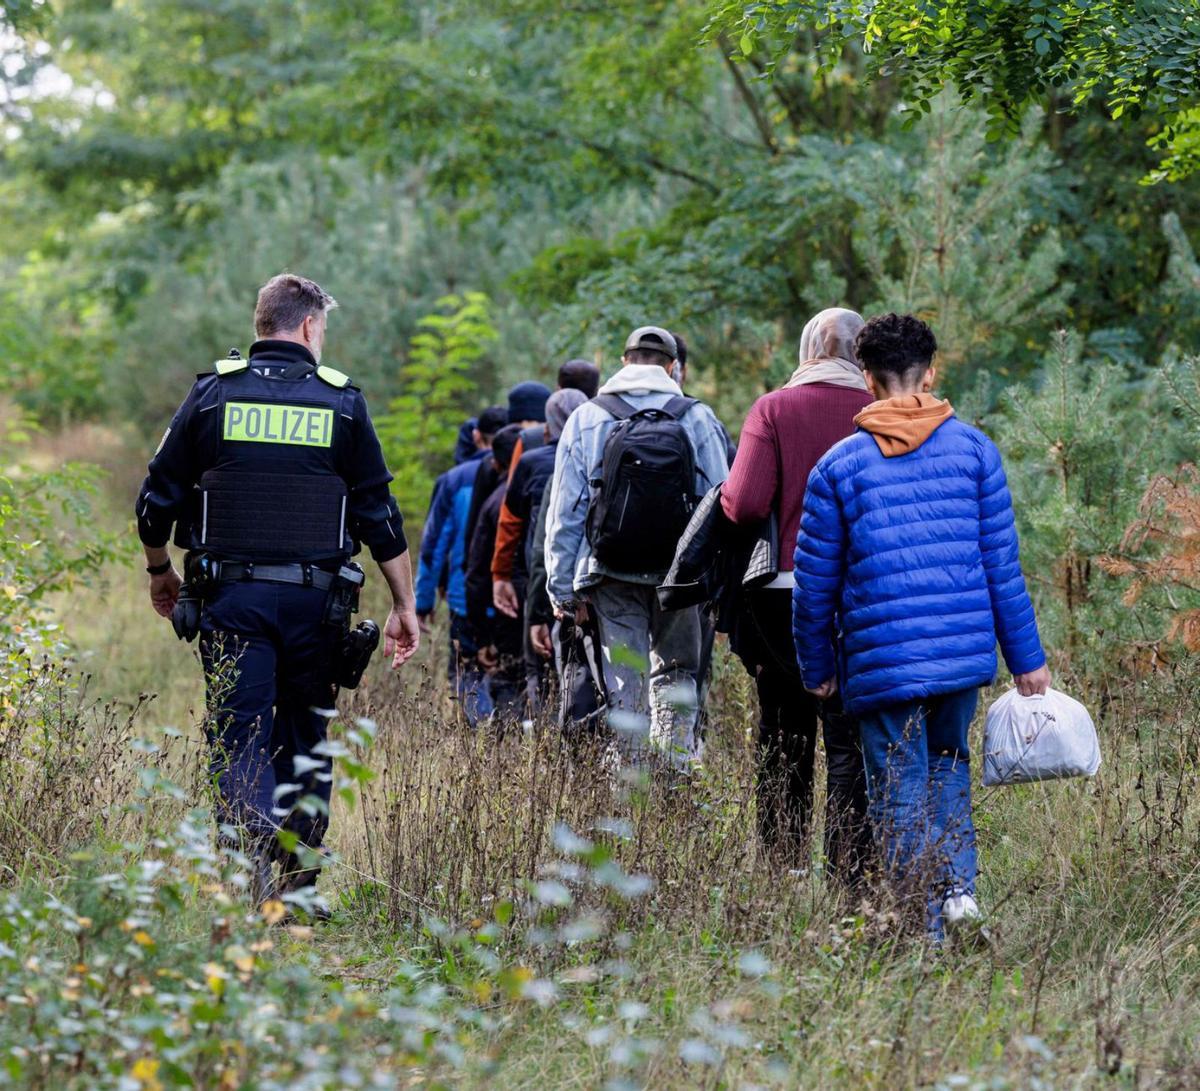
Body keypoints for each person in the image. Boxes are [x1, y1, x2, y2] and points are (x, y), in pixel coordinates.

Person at [135, 273, 420, 909]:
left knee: (238, 734)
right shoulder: (342, 404)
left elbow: (154, 503)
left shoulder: (212, 396)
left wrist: (161, 571)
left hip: (229, 603)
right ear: (311, 327)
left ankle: (243, 875)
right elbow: (378, 513)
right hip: (318, 607)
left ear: (262, 322)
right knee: (306, 735)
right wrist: (404, 604)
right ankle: (298, 887)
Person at [793, 312, 1051, 939]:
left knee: (898, 787)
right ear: (931, 372)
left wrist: (818, 669)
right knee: (947, 769)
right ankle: (957, 894)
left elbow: (813, 586)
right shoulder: (975, 451)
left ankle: (920, 924)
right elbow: (1001, 568)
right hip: (961, 658)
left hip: (883, 664)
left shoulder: (837, 467)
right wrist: (1027, 660)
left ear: (867, 378)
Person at [722, 307, 874, 881]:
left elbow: (746, 502)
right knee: (850, 733)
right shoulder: (880, 410)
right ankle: (851, 869)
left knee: (783, 728)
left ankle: (782, 862)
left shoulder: (774, 409)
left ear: (809, 349)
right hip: (864, 593)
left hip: (783, 591)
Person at [545, 325, 731, 770]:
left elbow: (567, 509)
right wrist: (718, 581)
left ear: (624, 361)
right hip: (679, 576)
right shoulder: (697, 416)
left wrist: (561, 588)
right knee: (677, 674)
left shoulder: (588, 417)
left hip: (609, 569)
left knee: (625, 682)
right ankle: (675, 776)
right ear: (673, 367)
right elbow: (721, 499)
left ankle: (628, 787)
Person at [414, 404, 509, 725]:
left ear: (476, 436)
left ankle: (481, 728)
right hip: (512, 598)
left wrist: (422, 601)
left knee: (467, 670)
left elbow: (433, 546)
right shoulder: (522, 471)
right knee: (509, 672)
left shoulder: (453, 480)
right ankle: (509, 738)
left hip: (464, 598)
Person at [464, 423, 525, 724]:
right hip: (543, 606)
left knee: (508, 684)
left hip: (504, 613)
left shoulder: (493, 501)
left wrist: (482, 637)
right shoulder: (543, 487)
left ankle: (512, 750)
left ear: (495, 461)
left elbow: (476, 575)